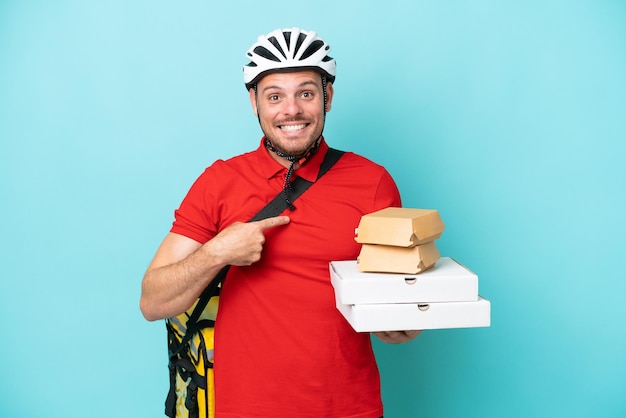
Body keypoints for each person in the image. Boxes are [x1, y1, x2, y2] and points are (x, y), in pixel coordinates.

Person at [140, 27, 420, 418]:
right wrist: (218, 250)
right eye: (275, 96)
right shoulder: (220, 182)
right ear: (254, 102)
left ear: (328, 97)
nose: (292, 110)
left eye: (306, 93)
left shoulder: (372, 182)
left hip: (347, 407)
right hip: (247, 408)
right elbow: (153, 301)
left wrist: (398, 322)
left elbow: (388, 296)